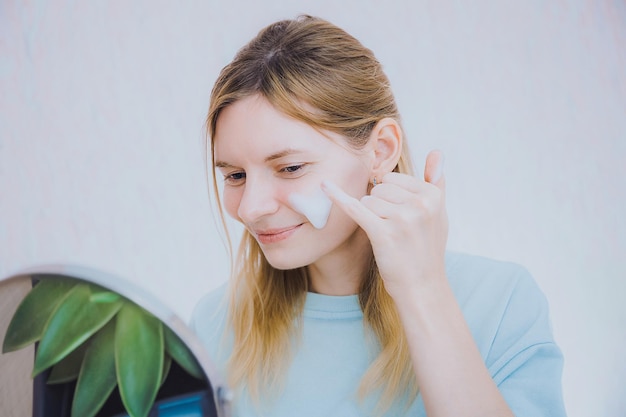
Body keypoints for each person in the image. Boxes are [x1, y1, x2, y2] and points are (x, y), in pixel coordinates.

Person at [192, 15, 566, 417]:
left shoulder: (500, 304)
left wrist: (422, 288)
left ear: (381, 151)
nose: (250, 207)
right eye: (235, 175)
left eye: (290, 168)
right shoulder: (212, 329)